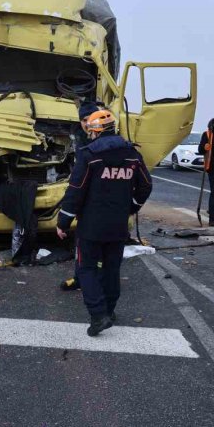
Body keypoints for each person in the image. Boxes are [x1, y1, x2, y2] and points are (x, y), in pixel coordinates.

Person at [57, 109, 152, 336]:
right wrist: (132, 207)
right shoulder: (132, 154)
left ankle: (99, 315)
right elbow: (146, 185)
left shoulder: (89, 155)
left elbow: (76, 190)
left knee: (86, 269)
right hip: (118, 224)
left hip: (91, 226)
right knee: (111, 269)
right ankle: (109, 311)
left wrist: (63, 221)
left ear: (95, 131)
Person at [59, 100, 98, 292]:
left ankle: (93, 282)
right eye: (84, 120)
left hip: (99, 200)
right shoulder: (79, 138)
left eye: (91, 119)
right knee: (82, 245)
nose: (87, 123)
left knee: (96, 245)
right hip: (88, 200)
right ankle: (81, 278)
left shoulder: (105, 141)